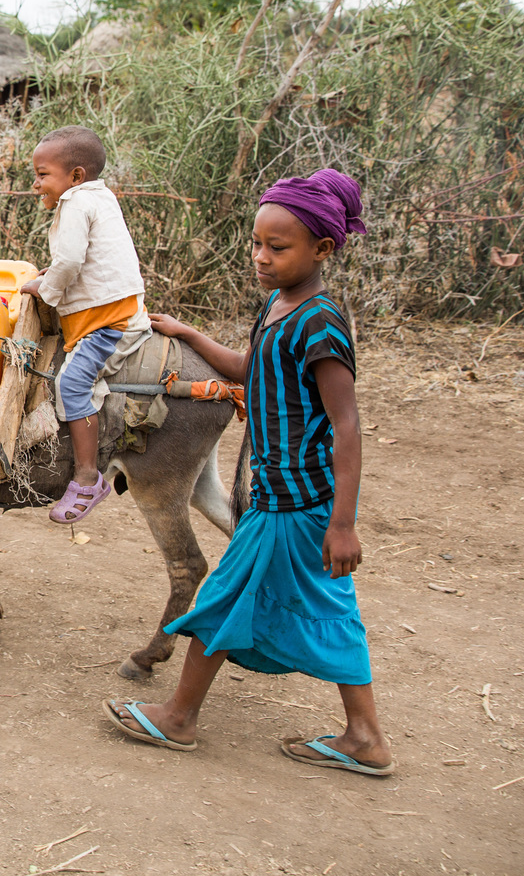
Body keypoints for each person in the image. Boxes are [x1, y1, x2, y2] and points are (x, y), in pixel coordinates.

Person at [102, 168, 394, 777]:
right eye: (256, 244)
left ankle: (181, 718)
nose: (261, 258)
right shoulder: (279, 306)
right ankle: (363, 735)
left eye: (278, 248)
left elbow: (348, 427)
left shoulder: (319, 322)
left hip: (302, 503)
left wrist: (342, 524)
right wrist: (189, 334)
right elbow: (248, 368)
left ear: (323, 249)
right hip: (277, 498)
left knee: (236, 600)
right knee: (291, 606)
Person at [18, 126, 147, 525]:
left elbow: (72, 262)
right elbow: (85, 261)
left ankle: (88, 477)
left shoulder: (74, 203)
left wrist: (45, 288)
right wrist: (53, 274)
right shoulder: (99, 197)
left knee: (71, 383)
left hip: (107, 323)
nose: (36, 183)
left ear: (75, 176)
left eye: (42, 174)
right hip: (112, 311)